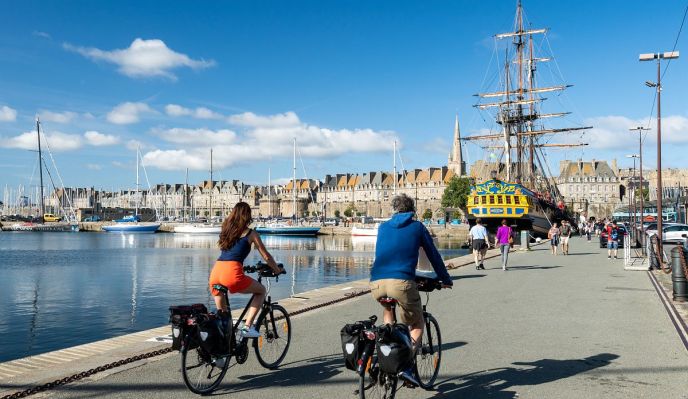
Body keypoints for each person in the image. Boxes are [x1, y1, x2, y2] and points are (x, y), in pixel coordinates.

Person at [370, 193, 453, 387]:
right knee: (417, 322)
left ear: (394, 209)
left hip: (376, 282)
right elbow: (433, 255)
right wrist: (445, 279)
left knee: (388, 308)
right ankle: (405, 366)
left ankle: (388, 348)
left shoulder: (382, 227)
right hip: (402, 282)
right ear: (412, 210)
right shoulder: (417, 227)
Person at [208, 202, 282, 338]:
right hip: (231, 272)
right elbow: (266, 256)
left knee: (224, 320)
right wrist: (277, 269)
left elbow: (230, 253)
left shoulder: (226, 231)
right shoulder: (251, 233)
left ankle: (222, 353)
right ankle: (247, 328)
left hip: (216, 271)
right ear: (247, 216)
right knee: (261, 291)